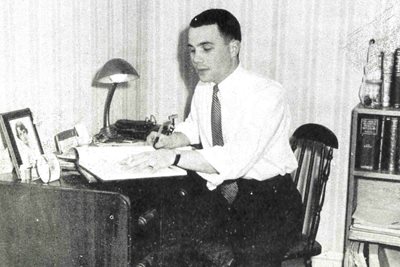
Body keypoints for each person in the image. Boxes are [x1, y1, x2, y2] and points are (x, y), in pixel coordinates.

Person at [123, 8, 303, 266]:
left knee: (248, 257)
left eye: (206, 49)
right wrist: (172, 140)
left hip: (270, 201)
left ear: (233, 48)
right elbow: (196, 126)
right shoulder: (205, 87)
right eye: (192, 50)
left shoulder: (267, 94)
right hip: (224, 193)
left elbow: (235, 159)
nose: (196, 59)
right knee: (170, 238)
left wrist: (173, 157)